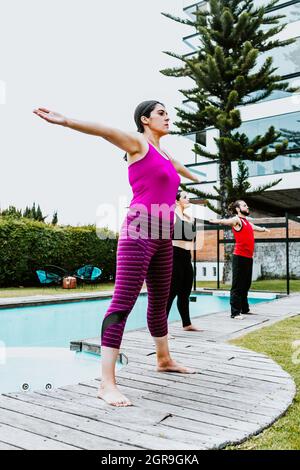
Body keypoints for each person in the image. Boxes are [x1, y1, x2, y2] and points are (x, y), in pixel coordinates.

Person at [33, 100, 200, 407]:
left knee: (160, 301)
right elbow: (104, 131)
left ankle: (163, 359)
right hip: (139, 229)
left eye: (167, 113)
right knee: (123, 301)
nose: (168, 117)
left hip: (164, 235)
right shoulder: (137, 143)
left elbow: (178, 169)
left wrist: (195, 179)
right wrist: (66, 120)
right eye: (161, 113)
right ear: (145, 119)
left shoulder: (164, 153)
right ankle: (106, 383)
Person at [210, 200, 270, 319]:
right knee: (237, 286)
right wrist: (218, 221)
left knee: (246, 285)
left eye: (247, 205)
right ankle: (235, 312)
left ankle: (244, 309)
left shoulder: (246, 222)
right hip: (239, 257)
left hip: (248, 258)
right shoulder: (237, 220)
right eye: (244, 205)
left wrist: (264, 229)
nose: (247, 207)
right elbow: (227, 221)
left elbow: (255, 228)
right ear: (238, 209)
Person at [166, 190, 202, 331]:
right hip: (174, 256)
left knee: (185, 293)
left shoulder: (190, 218)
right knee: (171, 293)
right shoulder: (172, 216)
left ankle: (186, 324)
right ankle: (162, 329)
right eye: (185, 197)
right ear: (176, 201)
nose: (188, 199)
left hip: (187, 257)